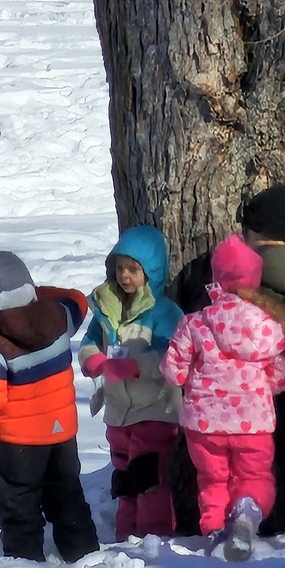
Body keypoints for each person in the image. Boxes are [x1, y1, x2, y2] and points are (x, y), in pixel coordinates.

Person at [168, 184, 285, 536]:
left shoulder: (255, 267)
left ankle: (248, 521)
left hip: (245, 387)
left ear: (257, 231)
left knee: (251, 462)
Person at [160, 235, 285, 562]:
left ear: (216, 277)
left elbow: (173, 371)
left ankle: (215, 532)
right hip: (253, 422)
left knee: (212, 480)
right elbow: (280, 377)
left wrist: (192, 379)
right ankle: (247, 512)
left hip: (204, 424)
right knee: (254, 477)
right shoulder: (269, 326)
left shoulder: (195, 323)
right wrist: (260, 388)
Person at [0, 252, 99, 563]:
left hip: (20, 443)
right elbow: (78, 299)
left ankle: (23, 559)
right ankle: (83, 553)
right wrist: (39, 294)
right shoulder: (59, 316)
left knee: (19, 502)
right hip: (62, 433)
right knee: (67, 496)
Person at [78, 226, 183, 541]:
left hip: (154, 408)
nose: (124, 276)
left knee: (148, 474)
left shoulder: (163, 313)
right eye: (120, 268)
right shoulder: (108, 306)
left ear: (151, 271)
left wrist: (138, 366)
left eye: (133, 269)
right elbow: (90, 340)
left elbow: (174, 355)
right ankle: (125, 532)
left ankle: (153, 533)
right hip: (118, 410)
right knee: (123, 475)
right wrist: (92, 360)